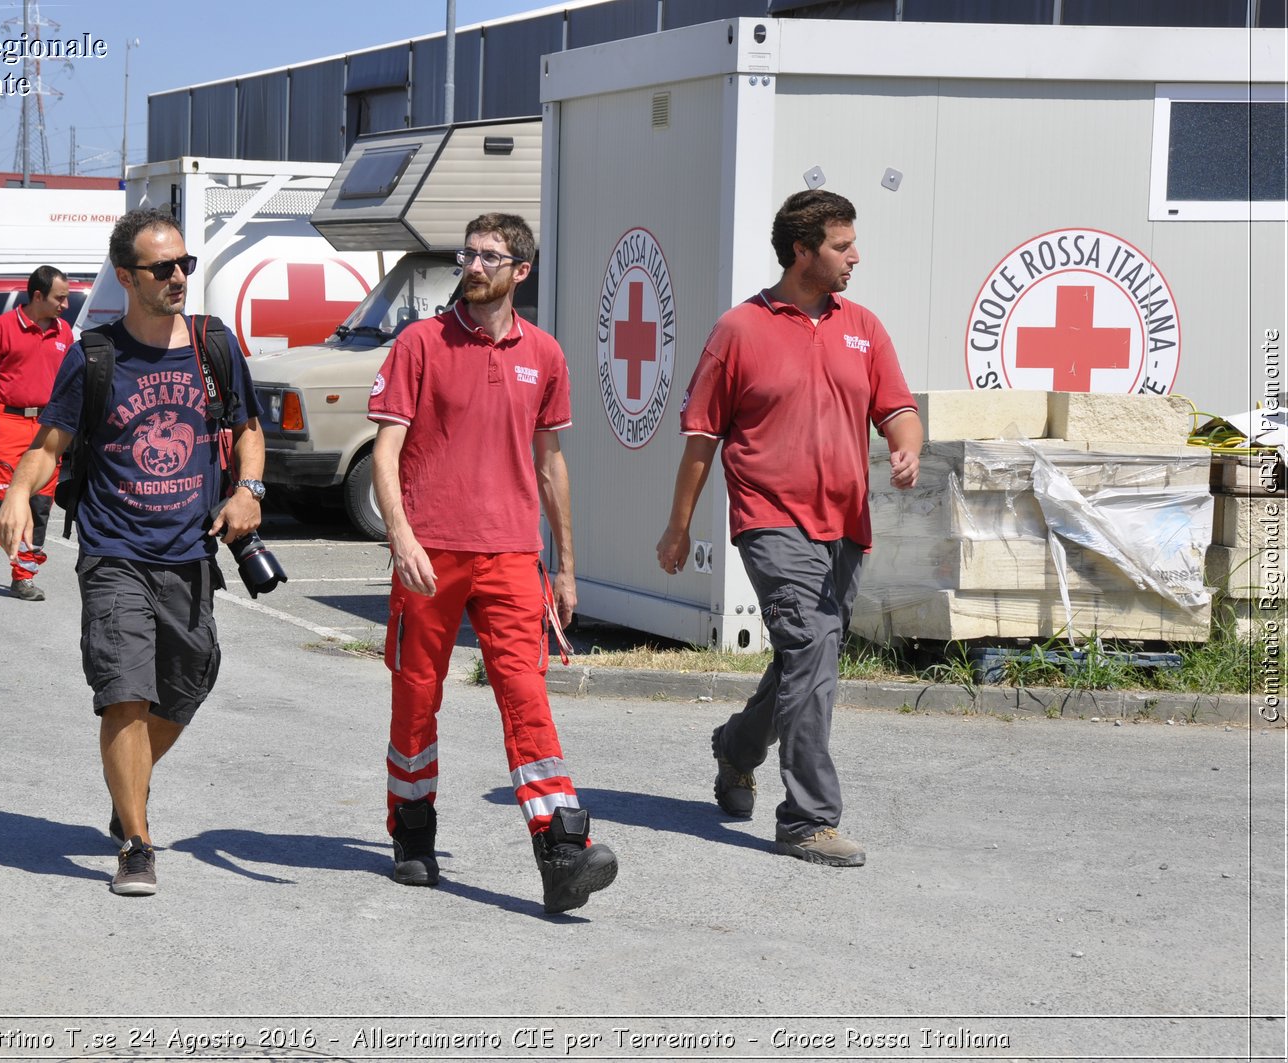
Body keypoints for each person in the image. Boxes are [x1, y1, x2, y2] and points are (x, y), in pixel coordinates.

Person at [0, 208, 265, 897]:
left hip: (190, 555)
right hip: (114, 551)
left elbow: (249, 427)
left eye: (185, 265)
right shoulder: (95, 355)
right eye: (162, 268)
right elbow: (49, 444)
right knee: (125, 691)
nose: (179, 277)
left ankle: (128, 790)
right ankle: (137, 844)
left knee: (186, 684)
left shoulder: (214, 344)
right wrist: (18, 495)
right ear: (127, 276)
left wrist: (249, 490)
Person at [654, 189, 922, 868]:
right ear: (802, 251)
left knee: (807, 658)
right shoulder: (738, 330)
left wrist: (905, 442)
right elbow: (701, 438)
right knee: (811, 646)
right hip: (771, 519)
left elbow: (897, 407)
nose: (854, 256)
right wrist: (678, 527)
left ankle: (737, 748)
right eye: (841, 245)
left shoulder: (862, 325)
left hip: (846, 523)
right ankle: (808, 817)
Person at [369, 211, 618, 915]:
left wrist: (567, 566)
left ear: (520, 271)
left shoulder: (546, 353)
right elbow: (386, 453)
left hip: (513, 554)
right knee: (416, 695)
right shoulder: (420, 344)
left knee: (526, 694)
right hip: (431, 551)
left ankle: (562, 849)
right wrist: (402, 536)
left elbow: (550, 464)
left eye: (490, 256)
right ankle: (413, 829)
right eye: (468, 253)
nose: (473, 265)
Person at [0, 266, 75, 602]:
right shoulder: (1, 327)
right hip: (9, 423)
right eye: (60, 298)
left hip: (48, 428)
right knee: (4, 498)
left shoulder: (64, 331)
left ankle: (24, 575)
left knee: (39, 503)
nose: (66, 305)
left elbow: (72, 384)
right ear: (38, 296)